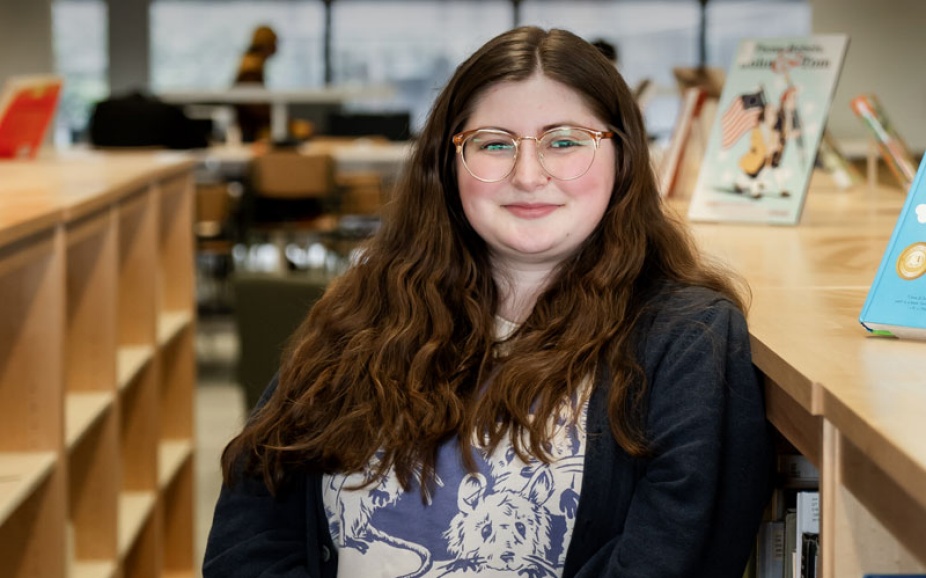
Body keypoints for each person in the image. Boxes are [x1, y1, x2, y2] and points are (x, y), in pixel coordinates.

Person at [204, 26, 773, 578]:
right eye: (494, 144)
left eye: (566, 142)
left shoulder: (688, 339)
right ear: (449, 165)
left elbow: (677, 555)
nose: (529, 175)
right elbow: (249, 536)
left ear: (622, 157)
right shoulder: (364, 308)